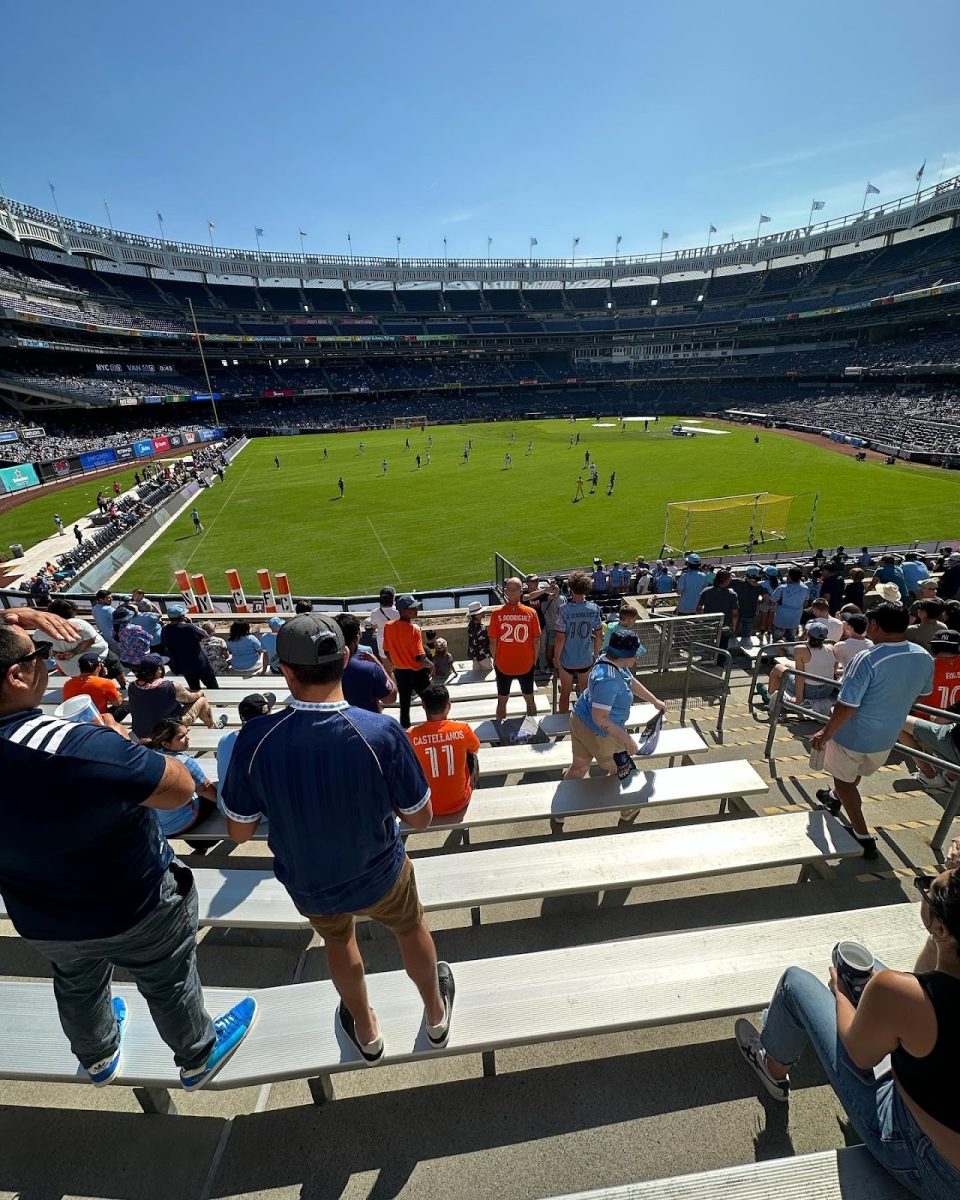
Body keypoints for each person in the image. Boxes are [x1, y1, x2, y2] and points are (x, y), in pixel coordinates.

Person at [0, 620, 256, 1091]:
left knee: (76, 982)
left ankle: (97, 1055)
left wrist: (19, 621)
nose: (45, 664)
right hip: (132, 902)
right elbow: (179, 789)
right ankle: (197, 1053)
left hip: (41, 914)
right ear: (17, 676)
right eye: (37, 657)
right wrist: (119, 741)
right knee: (169, 978)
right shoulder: (75, 744)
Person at [220, 613, 454, 1065]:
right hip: (381, 872)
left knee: (337, 943)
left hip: (308, 879)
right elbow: (421, 818)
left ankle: (366, 1032)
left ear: (284, 669)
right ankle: (435, 1016)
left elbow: (240, 830)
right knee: (410, 927)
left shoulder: (254, 738)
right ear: (346, 658)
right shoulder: (380, 731)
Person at [735, 865, 960, 1200]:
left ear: (942, 928)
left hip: (925, 1162)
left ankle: (772, 1067)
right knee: (879, 978)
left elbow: (860, 1051)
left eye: (927, 887)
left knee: (795, 983)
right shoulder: (916, 988)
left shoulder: (899, 994)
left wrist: (840, 993)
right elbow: (927, 982)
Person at [811, 603, 935, 858]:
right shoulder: (923, 655)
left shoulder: (867, 658)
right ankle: (834, 798)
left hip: (852, 736)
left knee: (845, 782)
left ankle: (862, 835)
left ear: (875, 625)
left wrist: (825, 734)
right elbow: (921, 696)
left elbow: (846, 706)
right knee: (851, 775)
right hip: (887, 737)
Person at [561, 629, 666, 825]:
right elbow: (601, 718)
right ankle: (627, 810)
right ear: (625, 656)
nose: (636, 657)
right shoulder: (608, 680)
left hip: (580, 720)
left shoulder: (609, 661)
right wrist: (627, 740)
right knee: (624, 770)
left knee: (579, 767)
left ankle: (559, 809)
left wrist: (653, 700)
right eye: (635, 654)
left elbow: (630, 681)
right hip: (600, 732)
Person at [408, 683, 481, 817]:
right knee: (472, 756)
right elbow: (475, 748)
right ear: (449, 705)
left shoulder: (411, 735)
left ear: (423, 706)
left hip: (426, 806)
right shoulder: (462, 729)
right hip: (460, 802)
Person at [141, 719, 219, 840]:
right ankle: (203, 844)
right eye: (181, 737)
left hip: (152, 823)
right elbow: (205, 788)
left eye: (187, 733)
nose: (187, 738)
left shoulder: (145, 753)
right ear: (165, 744)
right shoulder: (184, 762)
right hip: (175, 825)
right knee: (216, 794)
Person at [127, 654, 226, 741]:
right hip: (166, 732)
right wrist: (200, 692)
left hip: (141, 732)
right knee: (202, 700)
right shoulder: (171, 686)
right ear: (158, 670)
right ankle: (213, 727)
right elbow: (191, 698)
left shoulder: (132, 686)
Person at [490, 577, 541, 723]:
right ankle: (532, 728)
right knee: (530, 699)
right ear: (521, 592)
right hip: (526, 663)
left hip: (503, 664)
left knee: (502, 700)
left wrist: (495, 661)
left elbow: (493, 642)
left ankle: (500, 731)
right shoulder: (530, 613)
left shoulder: (496, 614)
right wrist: (534, 660)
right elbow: (536, 640)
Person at [760, 620, 837, 714]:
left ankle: (769, 697)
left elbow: (800, 675)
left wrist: (798, 698)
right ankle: (773, 695)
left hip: (809, 691)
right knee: (788, 665)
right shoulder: (831, 647)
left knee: (777, 668)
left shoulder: (800, 649)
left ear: (807, 634)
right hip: (827, 690)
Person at [215, 691, 276, 809]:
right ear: (267, 715)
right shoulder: (274, 742)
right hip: (260, 815)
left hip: (226, 808)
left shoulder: (224, 740)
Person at [554, 571, 603, 714]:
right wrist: (596, 654)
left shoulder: (564, 609)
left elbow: (560, 638)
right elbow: (599, 635)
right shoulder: (594, 608)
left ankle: (562, 722)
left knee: (565, 693)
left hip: (567, 659)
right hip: (585, 659)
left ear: (571, 588)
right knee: (585, 693)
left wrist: (556, 659)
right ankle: (583, 720)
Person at [382, 595, 434, 729]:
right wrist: (432, 665)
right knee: (430, 701)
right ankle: (434, 725)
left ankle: (405, 730)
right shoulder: (414, 629)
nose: (416, 609)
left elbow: (386, 650)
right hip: (417, 673)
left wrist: (396, 663)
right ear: (403, 611)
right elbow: (420, 658)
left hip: (400, 672)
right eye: (412, 608)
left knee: (404, 704)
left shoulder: (388, 626)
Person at [334, 613, 396, 712]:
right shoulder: (371, 669)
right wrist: (380, 666)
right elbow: (390, 698)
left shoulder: (322, 668)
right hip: (367, 723)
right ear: (357, 637)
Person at [160, 604, 218, 690]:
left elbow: (164, 644)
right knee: (211, 684)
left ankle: (197, 702)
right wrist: (191, 624)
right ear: (183, 616)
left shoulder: (165, 629)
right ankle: (218, 703)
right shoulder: (189, 627)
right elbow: (206, 635)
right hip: (199, 662)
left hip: (182, 664)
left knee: (194, 687)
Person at [63, 652, 129, 726]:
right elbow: (117, 703)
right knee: (127, 704)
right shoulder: (105, 683)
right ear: (99, 666)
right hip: (99, 721)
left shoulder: (68, 684)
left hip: (76, 722)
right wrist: (118, 695)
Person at [695, 569, 739, 656]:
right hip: (724, 625)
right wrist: (734, 626)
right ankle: (719, 663)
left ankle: (707, 659)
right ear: (726, 580)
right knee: (722, 647)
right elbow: (735, 613)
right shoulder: (732, 594)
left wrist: (699, 620)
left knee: (707, 645)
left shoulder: (706, 591)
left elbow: (699, 608)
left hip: (708, 624)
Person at [770, 566, 810, 641]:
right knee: (791, 640)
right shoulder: (805, 588)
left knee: (777, 640)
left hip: (780, 619)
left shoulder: (782, 588)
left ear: (790, 577)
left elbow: (772, 599)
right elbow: (805, 603)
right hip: (795, 619)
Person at [731, 566, 763, 646]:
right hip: (750, 614)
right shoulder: (759, 586)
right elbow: (767, 597)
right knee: (746, 637)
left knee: (733, 635)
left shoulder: (737, 582)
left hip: (738, 613)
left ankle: (734, 653)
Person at [368, 585, 400, 666]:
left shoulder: (375, 612)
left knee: (387, 667)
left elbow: (373, 626)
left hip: (382, 641)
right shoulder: (399, 611)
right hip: (396, 641)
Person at [466, 601, 491, 668]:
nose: (483, 613)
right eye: (481, 612)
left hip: (474, 656)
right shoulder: (481, 628)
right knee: (489, 673)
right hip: (483, 656)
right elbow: (487, 642)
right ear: (476, 615)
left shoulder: (470, 625)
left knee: (477, 675)